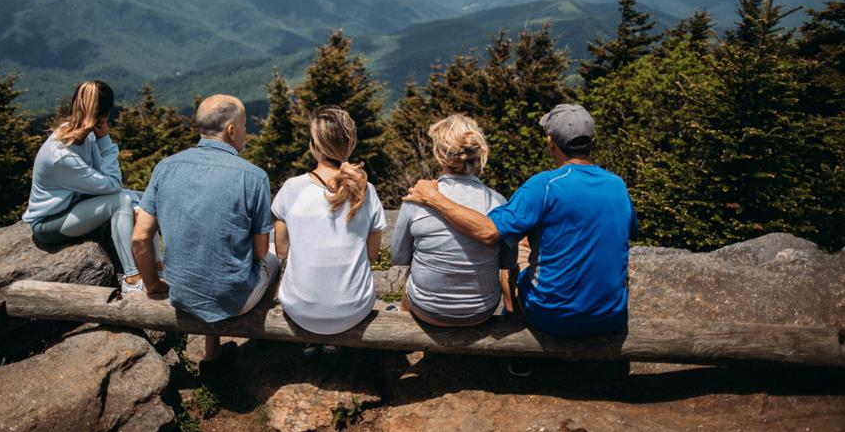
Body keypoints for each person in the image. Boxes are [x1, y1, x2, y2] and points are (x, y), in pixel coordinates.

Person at [403, 104, 637, 336]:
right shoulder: (617, 185)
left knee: (512, 256)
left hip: (552, 315)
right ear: (591, 140)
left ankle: (514, 335)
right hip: (610, 315)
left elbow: (489, 232)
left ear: (550, 141)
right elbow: (625, 232)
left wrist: (433, 198)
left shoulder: (544, 185)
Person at [131, 94, 279, 369]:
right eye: (245, 125)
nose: (246, 131)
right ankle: (264, 336)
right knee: (274, 259)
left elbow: (140, 237)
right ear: (231, 130)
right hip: (234, 300)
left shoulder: (165, 167)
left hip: (181, 292)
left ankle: (212, 354)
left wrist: (152, 285)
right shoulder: (253, 176)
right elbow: (260, 252)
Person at [22, 80, 158, 294]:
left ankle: (157, 268)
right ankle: (132, 279)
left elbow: (103, 181)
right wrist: (106, 141)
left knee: (148, 199)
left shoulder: (82, 135)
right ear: (103, 115)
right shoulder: (62, 155)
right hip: (49, 224)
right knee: (121, 202)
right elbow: (113, 186)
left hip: (75, 206)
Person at [272, 107, 386, 355]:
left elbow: (282, 251)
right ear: (350, 144)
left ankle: (311, 339)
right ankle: (335, 342)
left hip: (300, 309)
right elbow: (372, 255)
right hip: (354, 309)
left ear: (314, 146)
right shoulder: (367, 191)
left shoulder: (291, 189)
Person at [391, 114, 513, 327]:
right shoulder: (498, 201)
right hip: (481, 311)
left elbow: (399, 257)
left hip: (427, 310)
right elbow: (506, 262)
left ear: (439, 155)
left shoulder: (417, 198)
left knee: (411, 273)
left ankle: (402, 336)